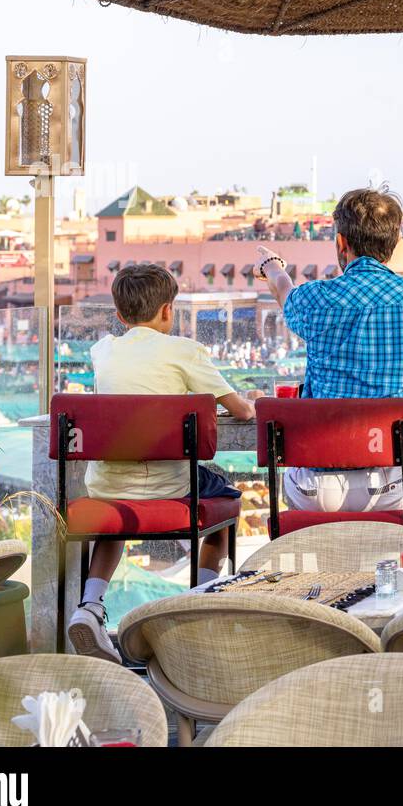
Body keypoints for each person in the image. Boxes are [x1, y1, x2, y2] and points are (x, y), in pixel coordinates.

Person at [257, 187, 403, 551]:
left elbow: (283, 289)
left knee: (297, 487)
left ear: (341, 242)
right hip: (400, 485)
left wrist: (272, 265)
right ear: (394, 241)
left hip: (319, 490)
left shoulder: (314, 299)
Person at [67, 264, 257, 663]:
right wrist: (251, 400)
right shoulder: (185, 351)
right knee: (226, 500)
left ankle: (89, 606)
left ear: (119, 316)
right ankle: (197, 603)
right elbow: (239, 410)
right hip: (170, 488)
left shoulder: (102, 350)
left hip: (106, 488)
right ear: (169, 311)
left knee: (115, 520)